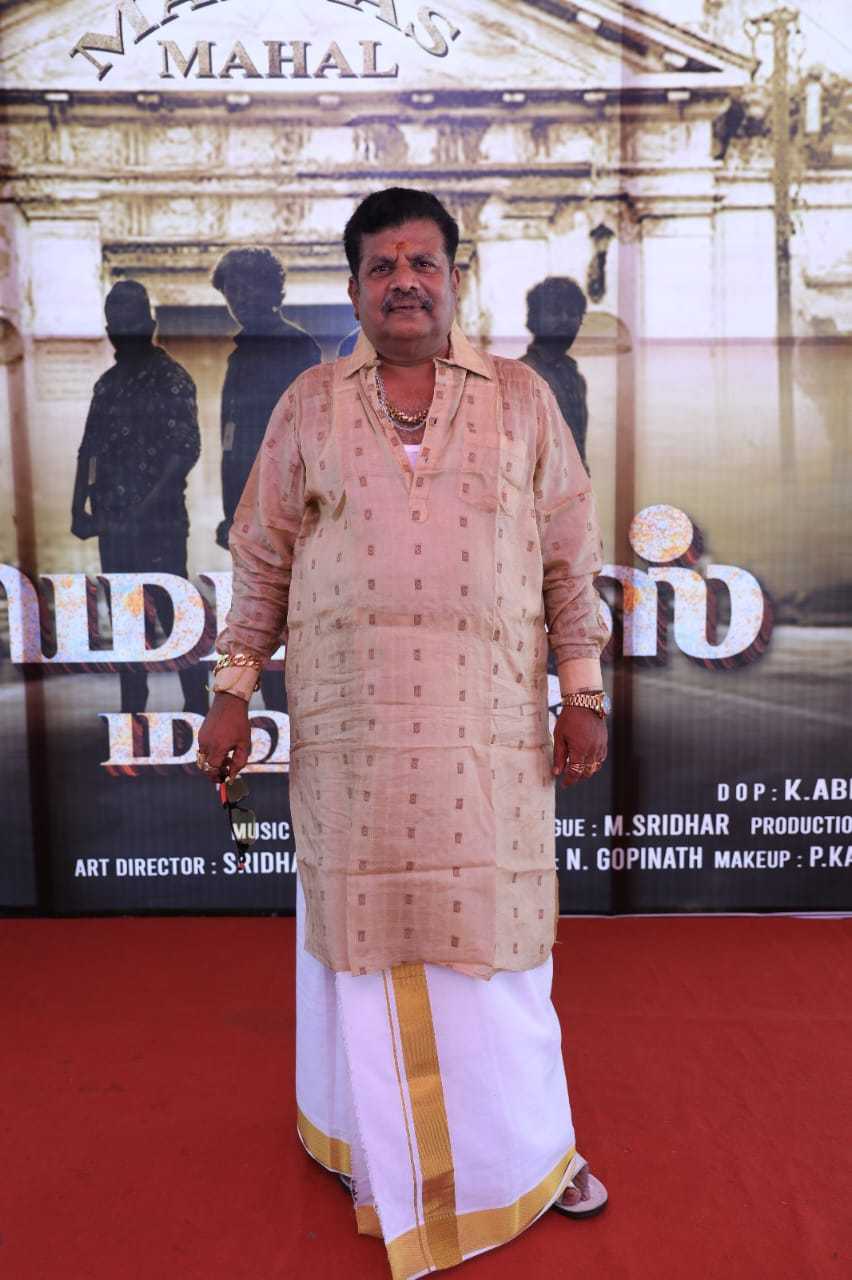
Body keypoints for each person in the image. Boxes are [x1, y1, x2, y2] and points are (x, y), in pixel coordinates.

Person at [197, 188, 609, 1276]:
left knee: (500, 953)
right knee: (359, 938)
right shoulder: (308, 405)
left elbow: (569, 557)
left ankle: (532, 1154)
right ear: (354, 290)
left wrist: (583, 692)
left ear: (455, 279)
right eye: (382, 267)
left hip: (486, 738)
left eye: (423, 263)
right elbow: (262, 558)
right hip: (355, 739)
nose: (405, 284)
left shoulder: (521, 400)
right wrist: (233, 687)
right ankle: (372, 1153)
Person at [71, 280, 208, 717]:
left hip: (159, 526)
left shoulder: (171, 379)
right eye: (117, 323)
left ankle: (199, 707)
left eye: (130, 321)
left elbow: (183, 454)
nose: (123, 332)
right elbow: (88, 450)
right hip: (115, 527)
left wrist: (141, 512)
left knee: (173, 617)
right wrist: (78, 507)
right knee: (128, 622)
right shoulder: (107, 385)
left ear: (150, 324)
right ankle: (133, 712)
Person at [212, 247, 321, 713]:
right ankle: (271, 716)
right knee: (255, 619)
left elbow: (309, 438)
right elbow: (230, 442)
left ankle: (292, 719)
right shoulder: (239, 356)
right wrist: (230, 512)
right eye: (232, 290)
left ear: (274, 289)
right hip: (249, 513)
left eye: (249, 286)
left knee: (293, 621)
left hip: (290, 512)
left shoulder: (297, 348)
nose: (241, 298)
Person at [521, 276, 590, 468]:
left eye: (573, 313)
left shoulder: (576, 379)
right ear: (533, 319)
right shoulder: (520, 376)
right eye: (555, 311)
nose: (565, 320)